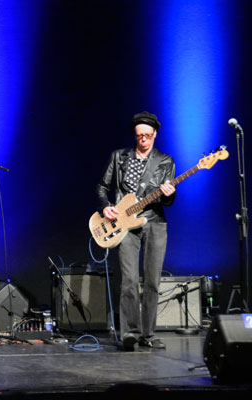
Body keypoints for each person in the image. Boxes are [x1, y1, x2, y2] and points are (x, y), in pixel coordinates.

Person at [96, 111, 176, 351]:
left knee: (152, 281)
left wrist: (169, 194)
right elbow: (102, 187)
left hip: (154, 222)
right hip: (125, 224)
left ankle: (148, 334)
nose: (143, 139)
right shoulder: (119, 157)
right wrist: (106, 206)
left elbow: (168, 201)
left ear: (155, 134)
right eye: (140, 135)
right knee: (129, 280)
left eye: (148, 135)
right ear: (135, 134)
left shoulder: (165, 161)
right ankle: (130, 333)